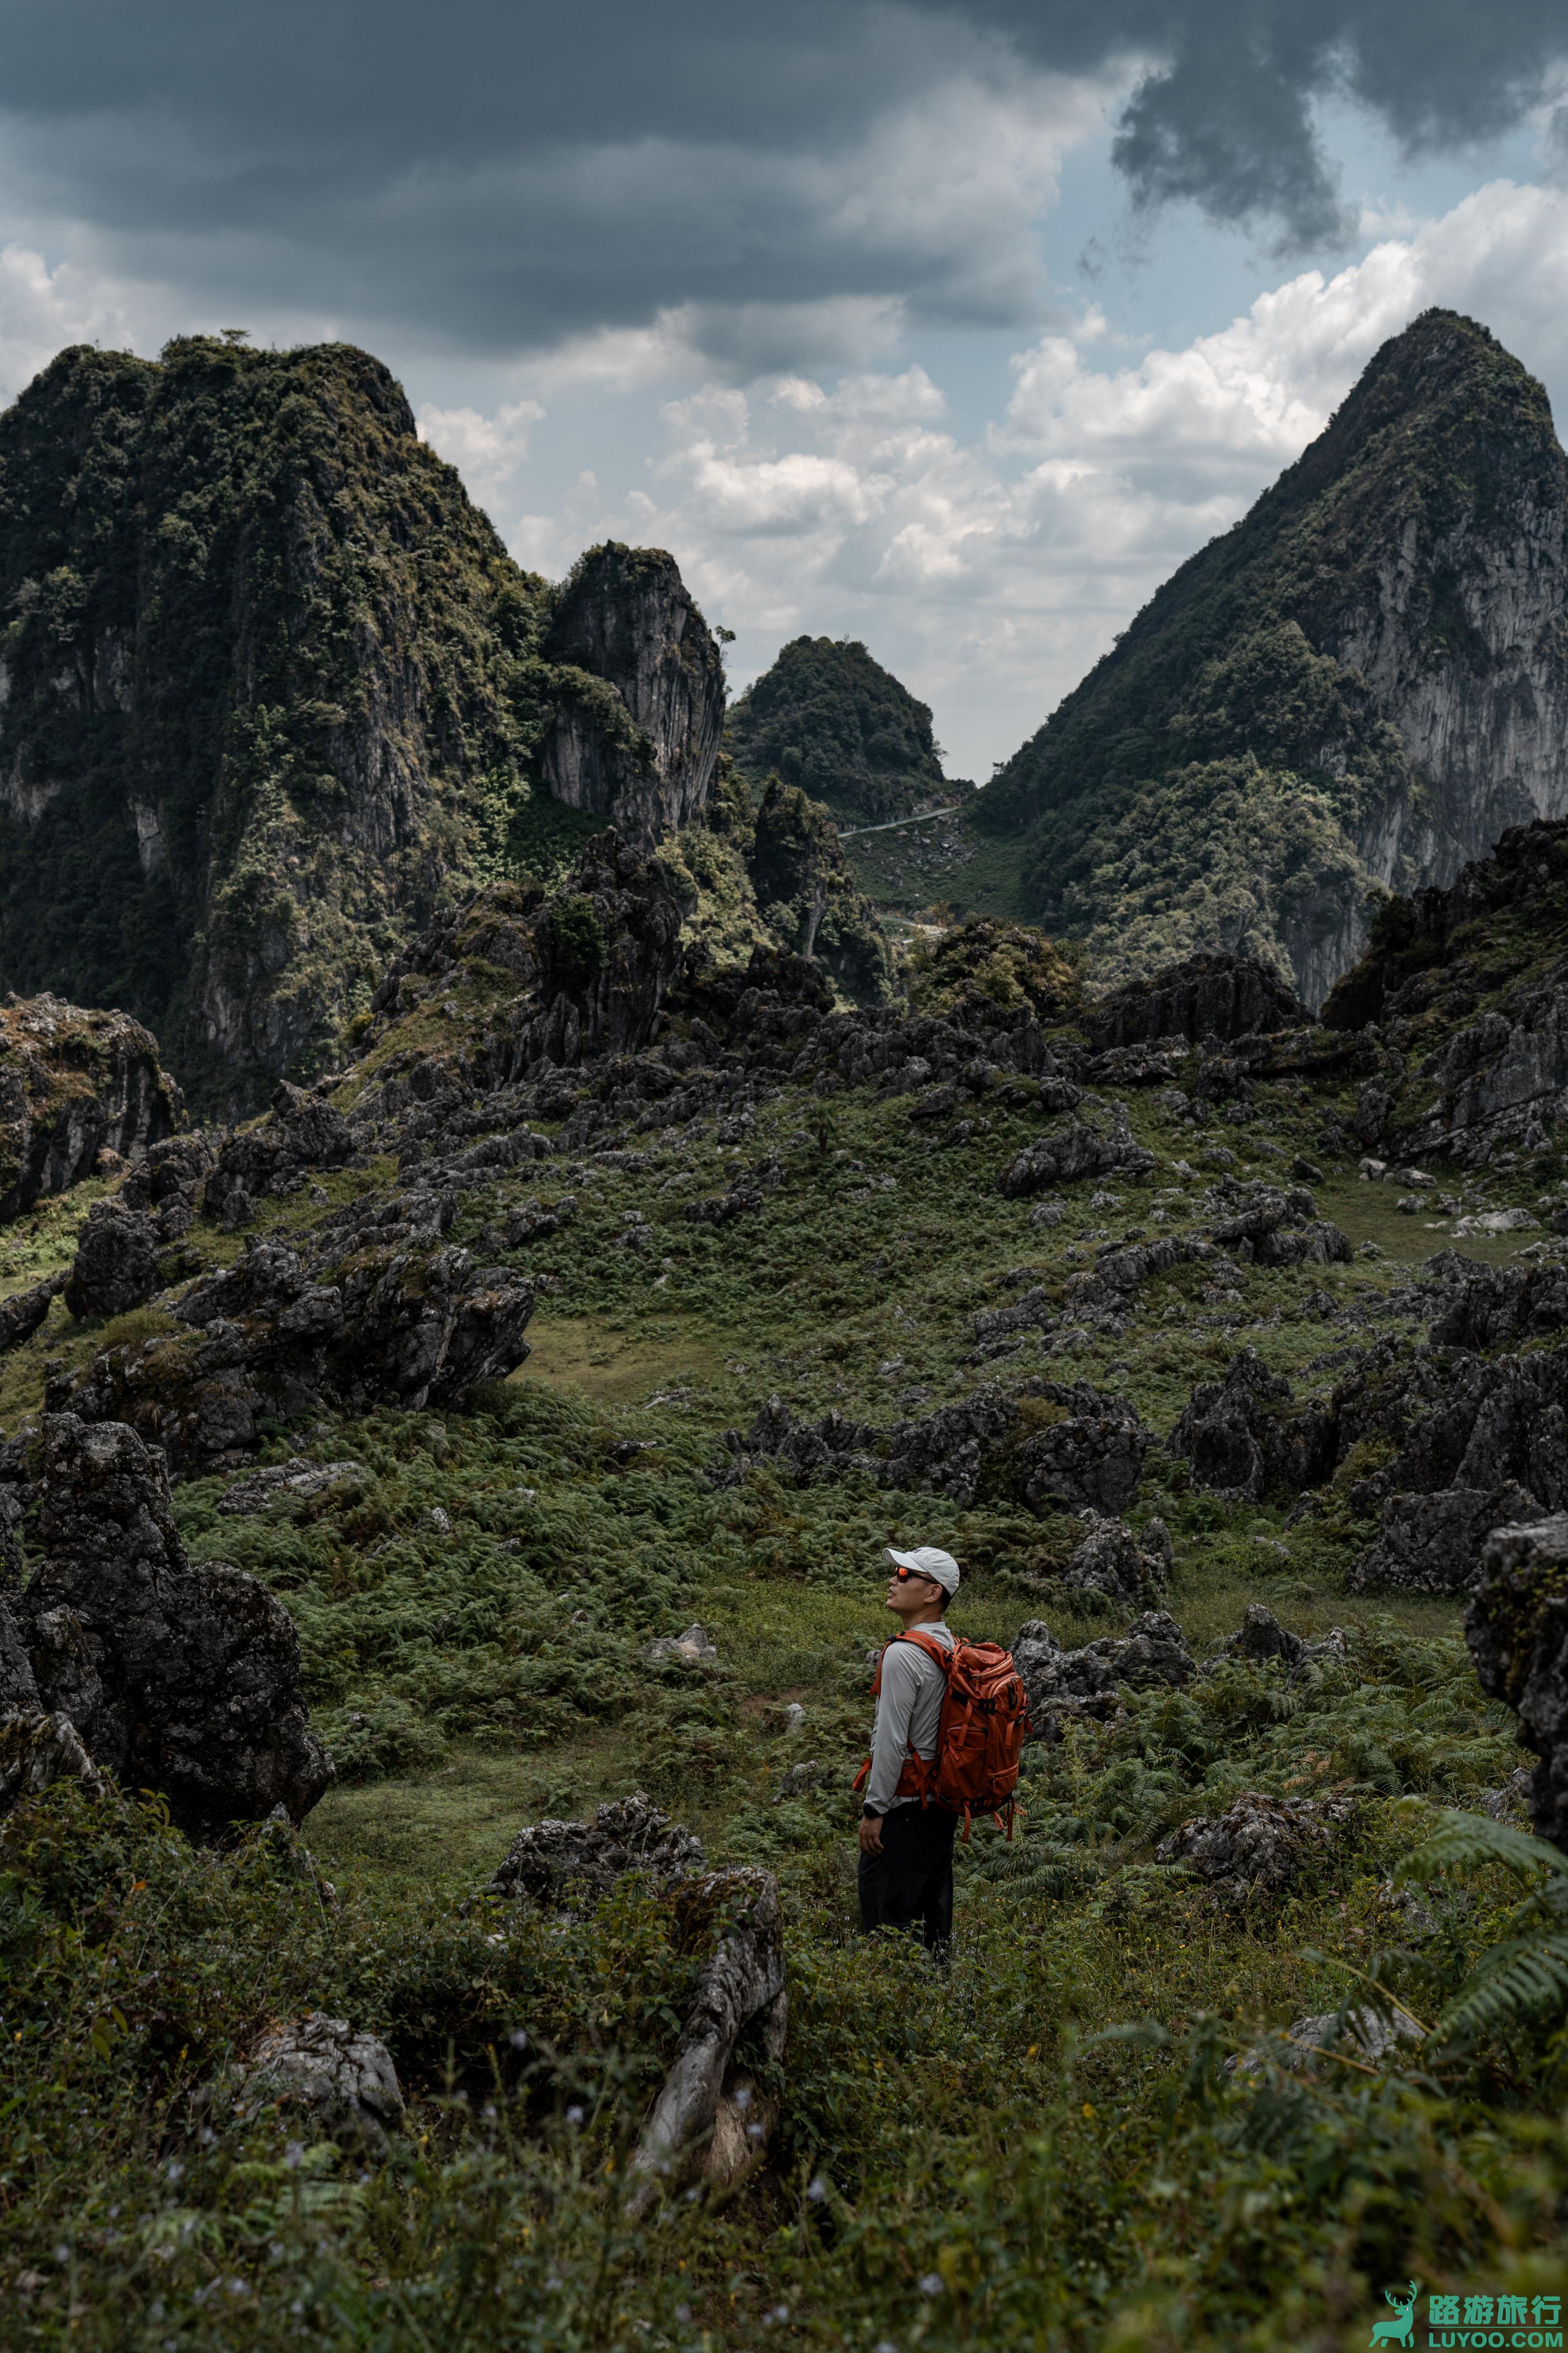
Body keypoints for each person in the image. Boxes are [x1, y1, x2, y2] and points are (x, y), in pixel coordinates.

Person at [858, 1543, 961, 1956]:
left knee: (888, 1930)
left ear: (933, 1593)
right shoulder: (950, 1647)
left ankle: (896, 1997)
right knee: (934, 1932)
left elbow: (890, 1741)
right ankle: (939, 1996)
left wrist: (874, 1810)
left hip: (903, 1811)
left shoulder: (904, 1654)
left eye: (904, 1574)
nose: (893, 1580)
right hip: (941, 1809)